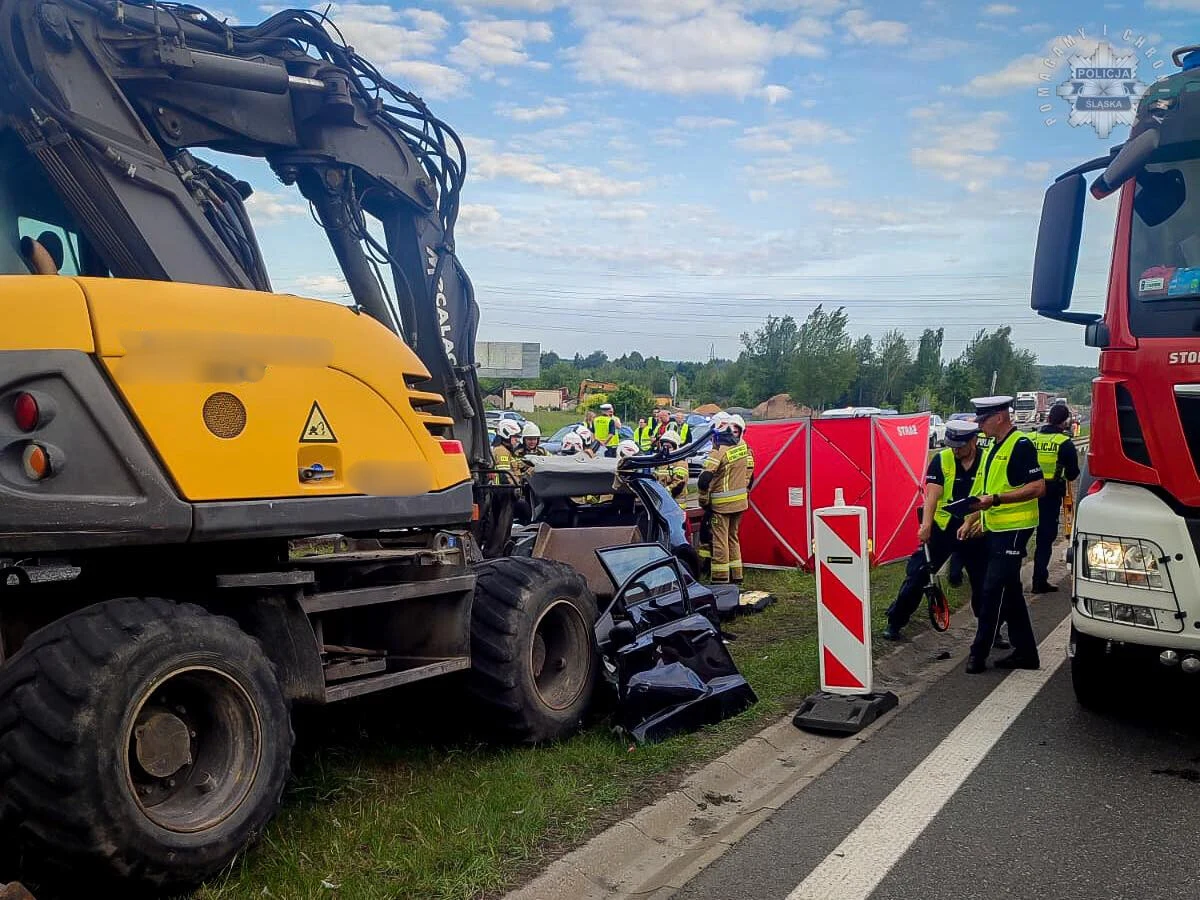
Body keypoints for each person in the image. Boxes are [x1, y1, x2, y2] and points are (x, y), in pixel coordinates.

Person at [958, 396, 1045, 674]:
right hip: (996, 529)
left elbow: (1038, 487)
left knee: (992, 589)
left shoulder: (1020, 445)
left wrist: (996, 500)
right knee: (1011, 593)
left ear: (999, 417)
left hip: (1015, 530)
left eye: (983, 420)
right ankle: (1026, 653)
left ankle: (978, 653)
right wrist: (971, 518)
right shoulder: (995, 447)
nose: (980, 426)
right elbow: (984, 491)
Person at [883, 420, 988, 640]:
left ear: (973, 441)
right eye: (952, 445)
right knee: (918, 575)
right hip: (943, 528)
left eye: (960, 446)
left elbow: (993, 495)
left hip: (974, 529)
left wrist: (979, 522)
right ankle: (895, 622)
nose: (955, 450)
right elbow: (932, 496)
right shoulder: (942, 459)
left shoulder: (988, 460)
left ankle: (989, 630)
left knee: (983, 582)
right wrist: (926, 525)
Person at [1030, 403, 1080, 594]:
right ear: (1065, 421)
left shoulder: (1031, 437)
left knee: (1021, 536)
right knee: (1045, 538)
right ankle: (1038, 580)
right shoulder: (1064, 443)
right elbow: (1073, 474)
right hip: (1050, 495)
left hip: (1027, 493)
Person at [699, 416, 751, 585]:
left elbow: (704, 479)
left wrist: (703, 499)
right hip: (740, 503)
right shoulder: (743, 447)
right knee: (733, 538)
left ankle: (720, 579)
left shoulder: (719, 450)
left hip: (722, 505)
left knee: (720, 540)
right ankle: (737, 576)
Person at [654, 430, 689, 505]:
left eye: (669, 447)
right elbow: (656, 479)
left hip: (677, 504)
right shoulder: (662, 462)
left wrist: (663, 492)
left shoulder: (680, 462)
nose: (665, 449)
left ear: (675, 447)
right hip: (663, 502)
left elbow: (679, 484)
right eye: (664, 446)